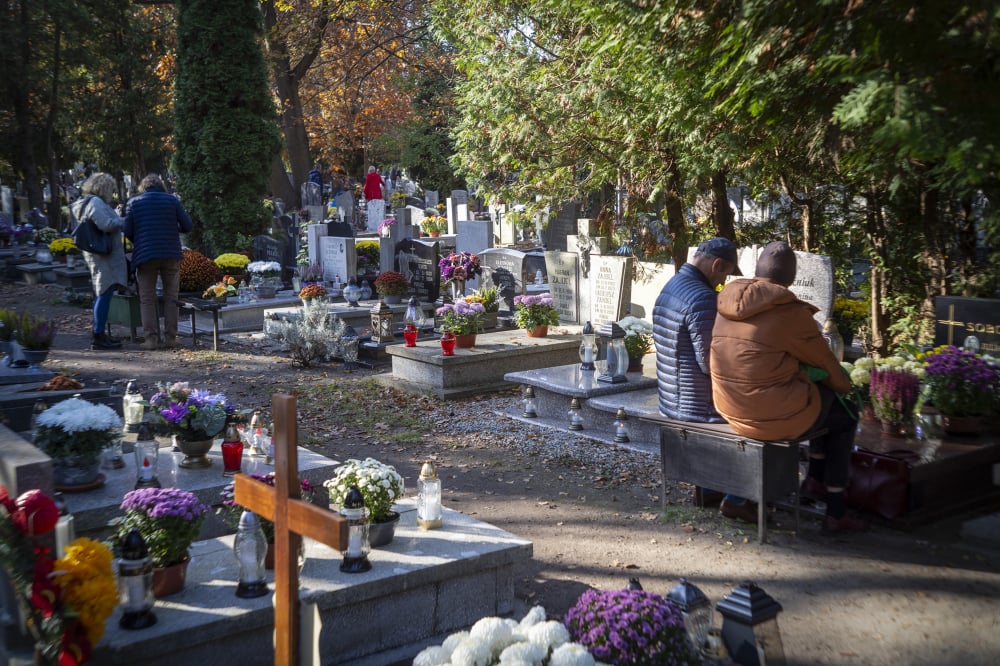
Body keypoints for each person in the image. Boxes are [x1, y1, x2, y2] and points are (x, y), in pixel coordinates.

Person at [710, 241, 866, 534]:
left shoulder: (725, 304)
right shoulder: (790, 311)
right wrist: (846, 388)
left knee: (824, 402)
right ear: (791, 278)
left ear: (757, 271)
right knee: (845, 414)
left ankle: (811, 483)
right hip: (769, 417)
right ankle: (835, 509)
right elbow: (828, 364)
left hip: (730, 408)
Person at [652, 237, 752, 522]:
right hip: (696, 407)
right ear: (717, 264)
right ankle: (738, 497)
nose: (723, 280)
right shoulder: (703, 298)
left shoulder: (672, 286)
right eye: (725, 273)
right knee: (757, 422)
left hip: (670, 400)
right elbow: (711, 364)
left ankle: (709, 488)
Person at [123, 173, 193, 350]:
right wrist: (170, 228)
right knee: (172, 297)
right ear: (161, 186)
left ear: (143, 187)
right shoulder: (172, 200)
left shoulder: (134, 202)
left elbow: (128, 230)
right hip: (170, 252)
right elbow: (188, 226)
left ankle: (151, 339)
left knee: (147, 298)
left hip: (145, 255)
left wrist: (140, 239)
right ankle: (171, 338)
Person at [70, 173, 127, 351]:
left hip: (95, 253)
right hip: (103, 255)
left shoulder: (85, 202)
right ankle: (99, 335)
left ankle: (99, 333)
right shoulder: (96, 202)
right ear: (103, 187)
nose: (112, 192)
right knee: (104, 292)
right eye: (110, 188)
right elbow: (106, 224)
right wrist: (122, 220)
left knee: (102, 291)